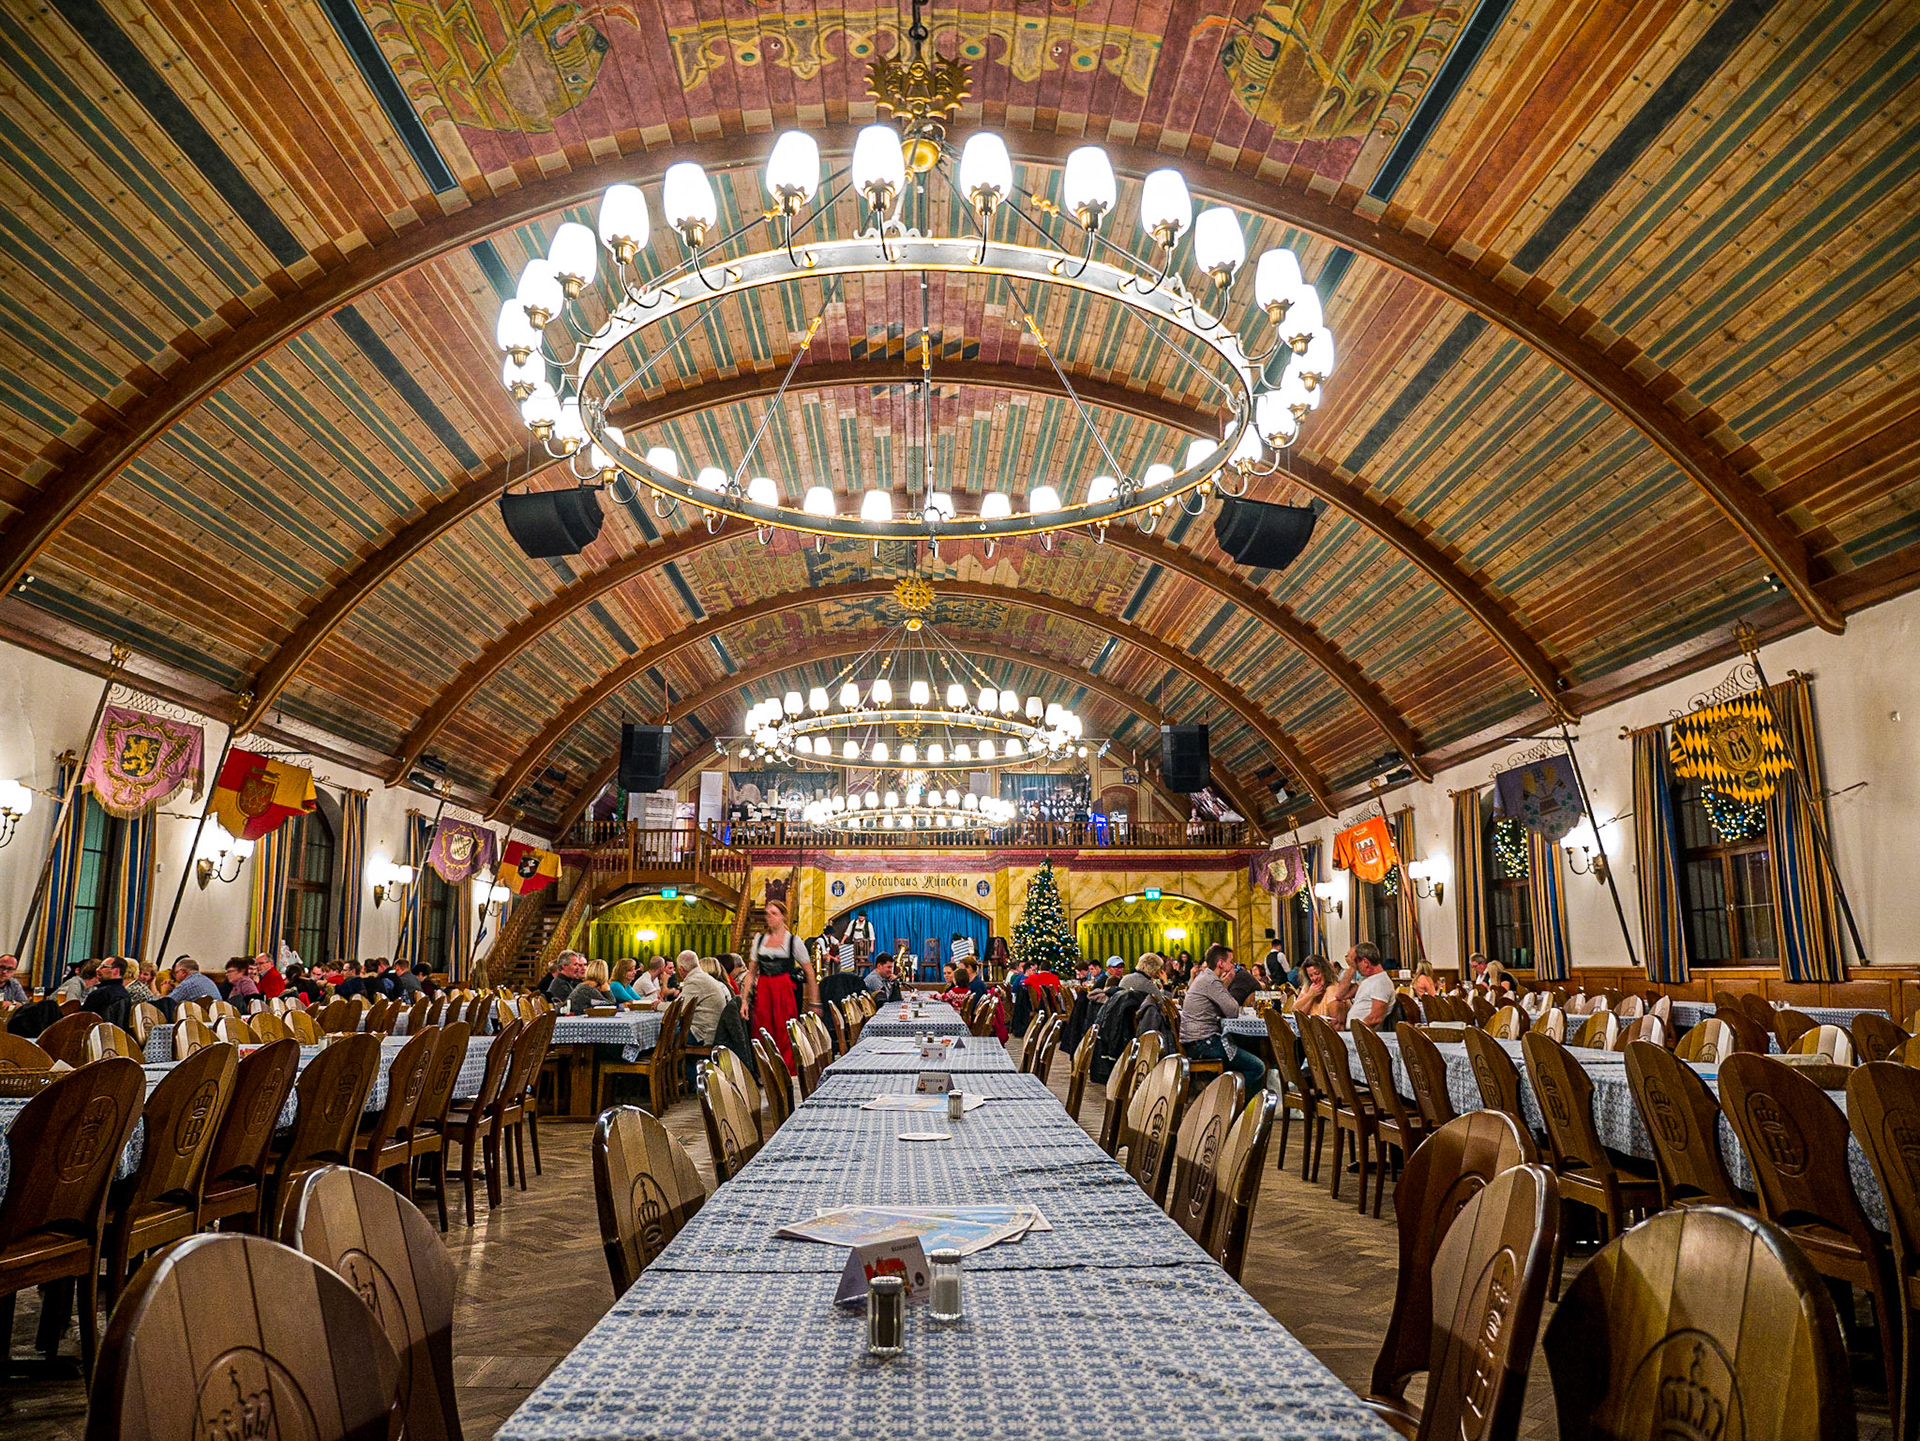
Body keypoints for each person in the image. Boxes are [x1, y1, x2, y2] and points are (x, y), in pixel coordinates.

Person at [1177, 944, 1265, 1090]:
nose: (1232, 965)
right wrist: (1226, 984)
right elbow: (1232, 1010)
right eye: (1230, 961)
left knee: (1245, 1049)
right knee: (1258, 1067)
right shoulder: (1212, 981)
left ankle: (1228, 1094)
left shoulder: (1205, 977)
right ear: (1221, 963)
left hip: (1194, 1041)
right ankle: (1233, 1101)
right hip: (1204, 1043)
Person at [747, 899, 816, 1068]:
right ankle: (766, 1069)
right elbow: (751, 972)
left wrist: (814, 1002)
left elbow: (810, 972)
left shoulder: (793, 941)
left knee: (784, 1029)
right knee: (761, 1029)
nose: (769, 917)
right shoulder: (759, 939)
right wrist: (743, 1000)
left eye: (774, 913)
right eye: (767, 913)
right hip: (763, 988)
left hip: (783, 989)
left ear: (783, 916)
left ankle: (786, 1069)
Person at [675, 950, 730, 1045]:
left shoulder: (695, 981)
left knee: (663, 1035)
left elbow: (678, 1007)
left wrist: (658, 1005)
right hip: (714, 1032)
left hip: (703, 1035)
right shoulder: (703, 977)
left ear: (681, 970)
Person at [1342, 944, 1395, 1031]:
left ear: (1366, 963)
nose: (1357, 968)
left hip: (1363, 1034)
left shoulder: (1381, 982)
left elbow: (1376, 1017)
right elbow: (1340, 995)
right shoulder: (1370, 980)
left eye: (1357, 964)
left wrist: (1357, 1030)